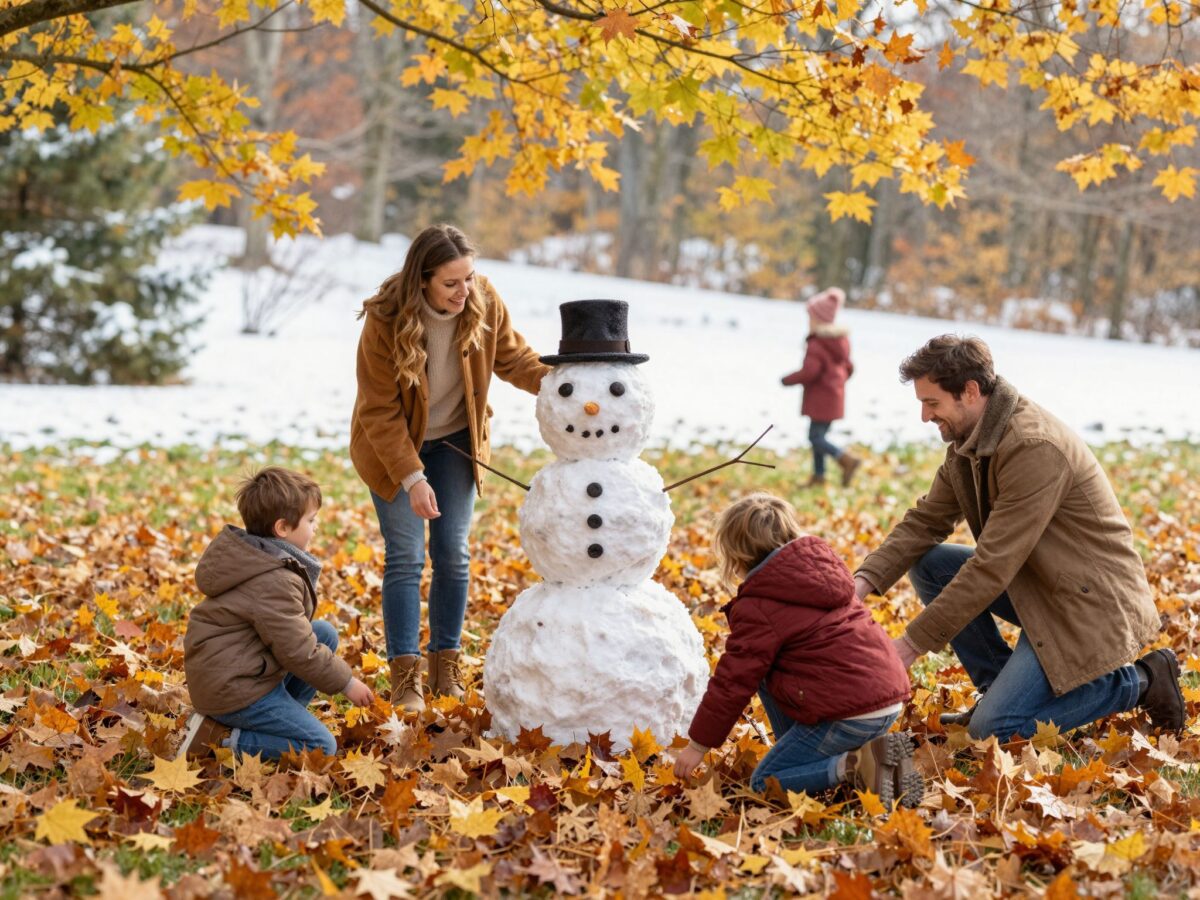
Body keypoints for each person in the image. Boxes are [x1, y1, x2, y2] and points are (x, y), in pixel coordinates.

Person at [854, 335, 1184, 742]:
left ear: (970, 391)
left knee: (993, 731)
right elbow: (925, 521)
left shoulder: (1033, 447)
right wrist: (857, 587)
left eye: (932, 402)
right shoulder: (970, 441)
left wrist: (909, 645)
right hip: (1042, 587)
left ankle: (1143, 680)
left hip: (1085, 605)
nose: (924, 416)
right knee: (931, 564)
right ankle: (997, 690)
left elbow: (991, 567)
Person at [350, 224, 549, 712]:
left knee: (453, 554)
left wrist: (564, 385)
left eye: (470, 278)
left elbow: (514, 358)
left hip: (457, 443)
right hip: (395, 448)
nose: (464, 291)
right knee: (405, 556)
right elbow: (379, 410)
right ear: (422, 280)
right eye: (451, 283)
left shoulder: (483, 300)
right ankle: (406, 677)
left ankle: (446, 668)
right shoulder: (386, 317)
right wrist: (412, 477)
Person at [673, 493, 923, 808]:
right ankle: (844, 759)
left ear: (736, 554)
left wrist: (698, 745)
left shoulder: (759, 605)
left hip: (851, 713)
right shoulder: (821, 572)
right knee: (765, 672)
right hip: (886, 697)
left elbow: (733, 681)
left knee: (766, 782)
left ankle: (856, 765)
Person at [179, 467, 375, 760]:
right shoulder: (274, 580)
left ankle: (281, 721)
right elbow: (298, 651)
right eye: (311, 520)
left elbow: (293, 640)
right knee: (321, 747)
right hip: (233, 690)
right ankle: (218, 738)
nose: (316, 528)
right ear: (282, 528)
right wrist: (346, 683)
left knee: (323, 633)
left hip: (235, 672)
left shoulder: (261, 558)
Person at [781, 287, 860, 487]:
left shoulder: (817, 343)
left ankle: (846, 459)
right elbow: (849, 368)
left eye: (810, 317)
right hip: (834, 397)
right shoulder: (840, 342)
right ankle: (819, 476)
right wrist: (836, 383)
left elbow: (810, 371)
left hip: (821, 399)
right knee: (818, 437)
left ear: (818, 319)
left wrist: (788, 379)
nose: (808, 321)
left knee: (815, 438)